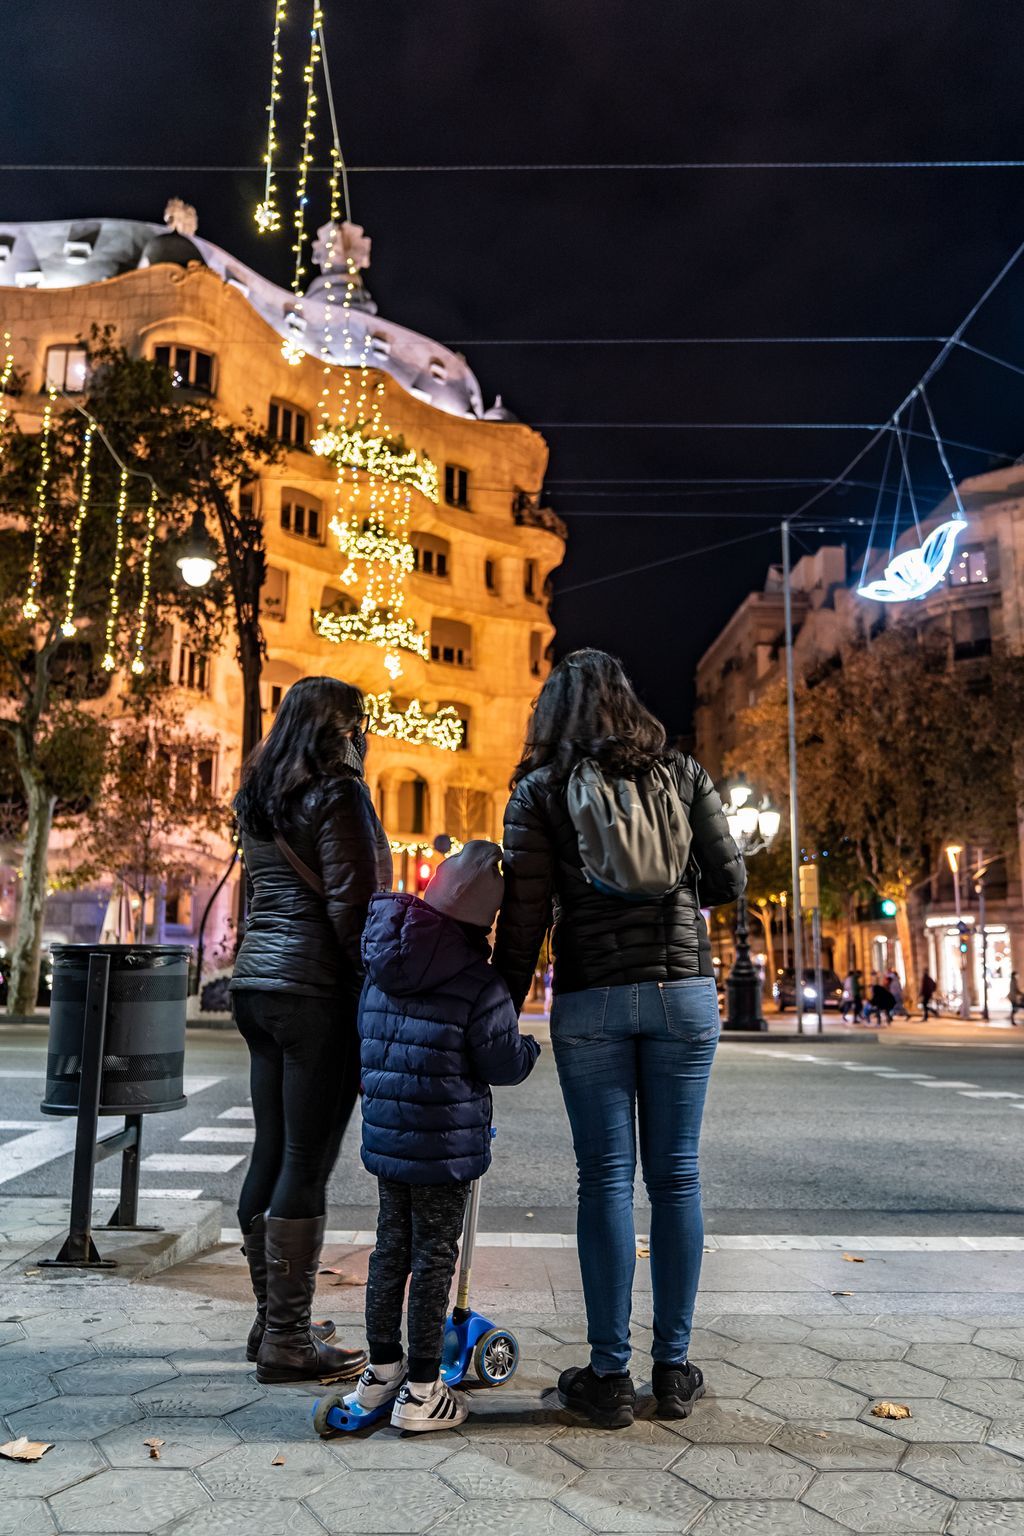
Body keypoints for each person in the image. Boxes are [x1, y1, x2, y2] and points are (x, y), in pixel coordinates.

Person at [494, 649, 745, 1430]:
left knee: (603, 1178)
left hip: (592, 997)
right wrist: (671, 889)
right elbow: (730, 882)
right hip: (683, 994)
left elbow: (525, 921)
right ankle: (672, 1371)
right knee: (676, 1178)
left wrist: (496, 1010)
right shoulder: (682, 774)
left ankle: (608, 1375)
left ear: (552, 713)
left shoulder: (538, 792)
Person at [231, 677, 392, 1385]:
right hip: (314, 993)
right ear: (346, 729)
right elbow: (355, 915)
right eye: (364, 725)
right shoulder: (339, 793)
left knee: (272, 1150)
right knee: (307, 1160)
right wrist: (381, 995)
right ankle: (289, 1341)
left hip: (256, 987)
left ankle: (272, 1321)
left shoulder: (260, 796)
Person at [353, 841, 540, 1431]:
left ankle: (382, 1371)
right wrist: (529, 1048)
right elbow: (502, 1064)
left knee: (390, 1251)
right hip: (444, 1147)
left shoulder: (383, 961)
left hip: (388, 1139)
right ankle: (423, 1390)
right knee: (435, 1257)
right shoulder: (478, 983)